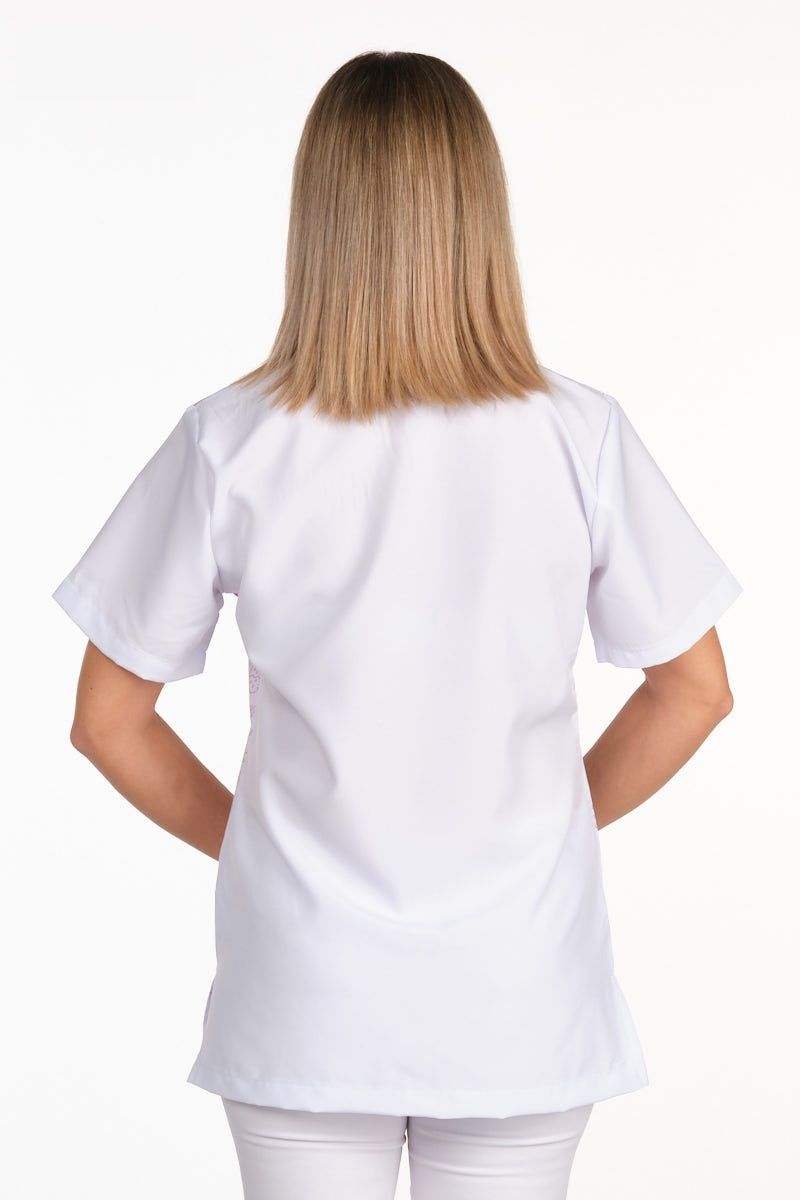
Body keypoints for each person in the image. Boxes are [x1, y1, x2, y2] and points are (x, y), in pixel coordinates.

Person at [52, 50, 743, 1200]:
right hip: (518, 989)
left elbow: (106, 721)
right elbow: (696, 689)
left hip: (305, 989)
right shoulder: (578, 438)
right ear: (478, 211)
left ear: (317, 214)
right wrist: (552, 824)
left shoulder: (231, 439)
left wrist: (258, 846)